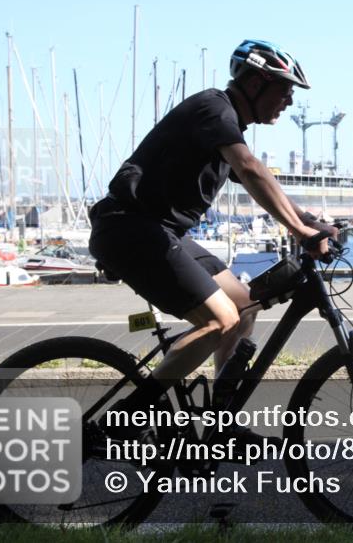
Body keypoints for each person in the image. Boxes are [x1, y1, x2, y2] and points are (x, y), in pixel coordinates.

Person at [88, 39, 336, 438]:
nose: (288, 101)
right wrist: (301, 231)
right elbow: (251, 169)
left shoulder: (224, 129)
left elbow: (261, 182)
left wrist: (310, 221)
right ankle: (126, 420)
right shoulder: (214, 108)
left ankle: (222, 422)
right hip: (129, 229)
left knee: (245, 302)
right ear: (255, 84)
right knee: (221, 320)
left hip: (159, 232)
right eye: (284, 89)